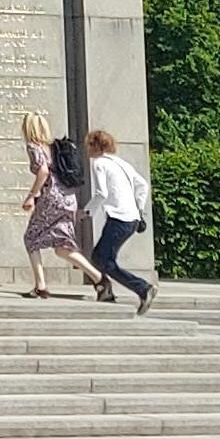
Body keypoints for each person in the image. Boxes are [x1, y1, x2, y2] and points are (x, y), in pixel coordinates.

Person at [20, 113, 96, 297]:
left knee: (31, 238)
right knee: (62, 246)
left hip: (51, 199)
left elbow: (43, 171)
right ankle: (99, 278)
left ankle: (40, 286)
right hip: (68, 199)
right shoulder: (54, 147)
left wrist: (31, 196)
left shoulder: (34, 146)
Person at [82, 130, 154, 311]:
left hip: (119, 218)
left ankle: (142, 288)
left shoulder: (99, 163)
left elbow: (101, 193)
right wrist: (138, 208)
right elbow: (143, 185)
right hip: (131, 219)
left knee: (101, 259)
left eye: (89, 145)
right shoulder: (122, 163)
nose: (87, 149)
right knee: (103, 257)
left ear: (95, 146)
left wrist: (87, 212)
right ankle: (106, 291)